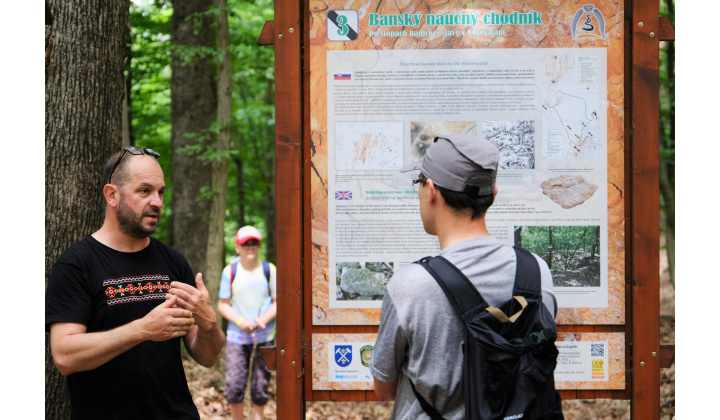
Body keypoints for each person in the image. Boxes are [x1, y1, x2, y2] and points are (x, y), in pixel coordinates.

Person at [370, 134, 558, 419]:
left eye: (418, 183)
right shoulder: (537, 273)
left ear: (430, 190)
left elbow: (384, 388)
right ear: (492, 196)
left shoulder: (410, 285)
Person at [45, 147, 226, 420]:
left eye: (161, 192)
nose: (157, 202)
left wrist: (210, 323)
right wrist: (143, 329)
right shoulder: (77, 265)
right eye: (145, 191)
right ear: (112, 195)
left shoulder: (174, 263)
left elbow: (207, 357)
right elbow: (65, 356)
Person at [218, 225, 278, 420]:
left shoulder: (269, 269)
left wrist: (265, 319)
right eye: (246, 244)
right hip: (237, 336)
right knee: (235, 383)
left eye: (254, 244)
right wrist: (240, 320)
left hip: (265, 336)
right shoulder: (230, 271)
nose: (250, 248)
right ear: (237, 247)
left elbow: (279, 303)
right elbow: (223, 305)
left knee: (261, 384)